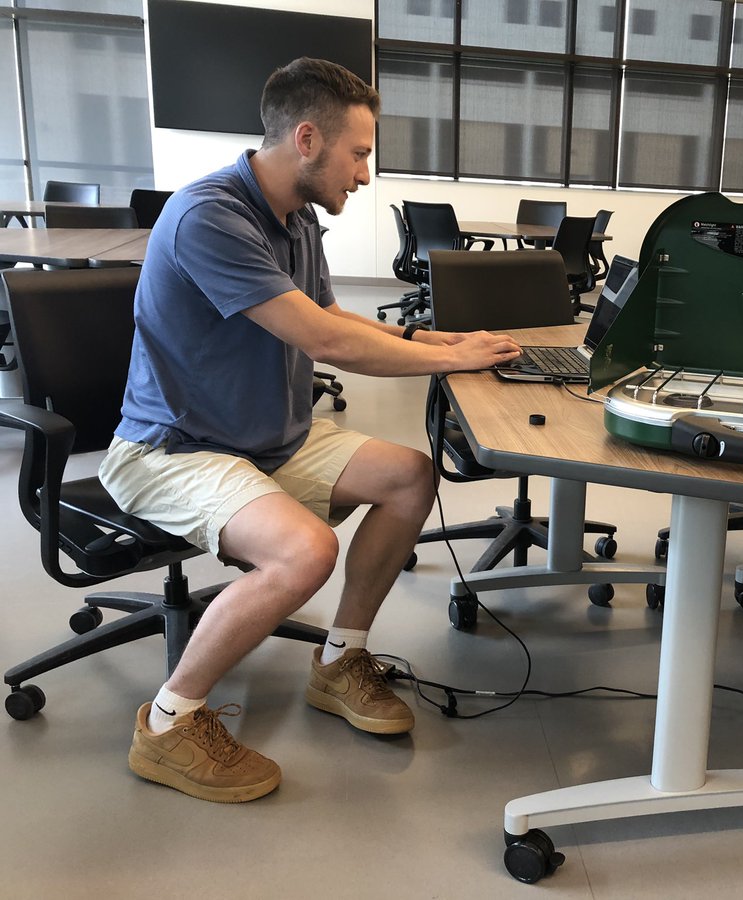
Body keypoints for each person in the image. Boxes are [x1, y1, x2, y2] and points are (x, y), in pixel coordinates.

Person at [98, 57, 522, 803]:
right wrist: (438, 364)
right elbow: (324, 344)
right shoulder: (211, 216)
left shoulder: (295, 218)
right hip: (174, 449)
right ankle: (168, 724)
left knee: (408, 476)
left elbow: (330, 316)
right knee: (306, 553)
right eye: (359, 153)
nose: (363, 174)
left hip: (265, 439)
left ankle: (340, 661)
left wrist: (442, 346)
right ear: (306, 138)